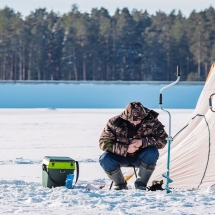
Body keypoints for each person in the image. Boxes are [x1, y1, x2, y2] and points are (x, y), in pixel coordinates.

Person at [99, 101, 168, 190]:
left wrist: (142, 142)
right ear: (126, 117)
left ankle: (141, 185)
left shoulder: (152, 121)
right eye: (132, 120)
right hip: (120, 156)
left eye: (138, 120)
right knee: (105, 158)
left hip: (142, 157)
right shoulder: (115, 122)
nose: (135, 123)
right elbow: (103, 143)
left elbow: (163, 140)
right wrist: (126, 149)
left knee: (152, 152)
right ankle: (120, 185)